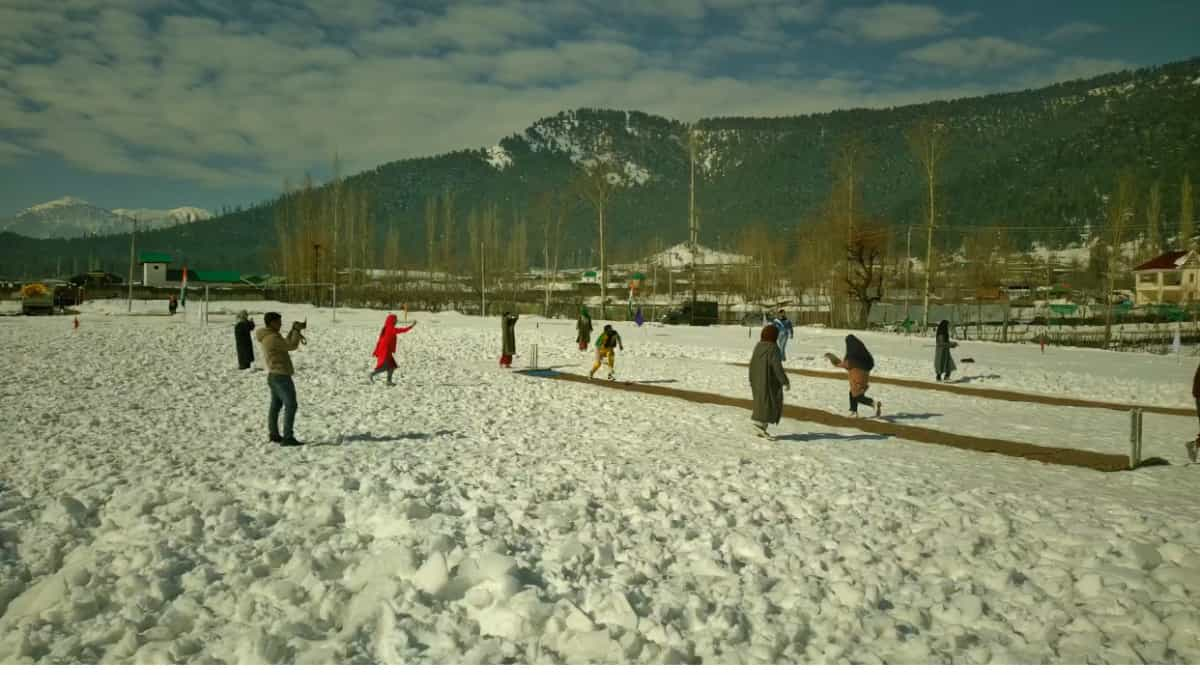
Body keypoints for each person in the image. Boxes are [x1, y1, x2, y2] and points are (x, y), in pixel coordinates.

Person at [255, 312, 306, 446]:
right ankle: (288, 437)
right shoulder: (272, 338)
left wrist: (293, 331)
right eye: (278, 322)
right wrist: (296, 330)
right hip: (280, 376)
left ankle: (274, 434)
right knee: (291, 405)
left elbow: (285, 343)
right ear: (271, 323)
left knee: (275, 406)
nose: (280, 324)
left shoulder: (269, 335)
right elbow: (291, 346)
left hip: (274, 375)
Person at [749, 323, 790, 438]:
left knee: (762, 402)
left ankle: (761, 427)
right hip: (769, 381)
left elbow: (752, 364)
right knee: (770, 402)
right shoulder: (773, 348)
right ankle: (760, 425)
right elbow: (777, 367)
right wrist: (784, 381)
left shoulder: (758, 346)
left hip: (757, 379)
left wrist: (751, 378)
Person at [828, 334, 881, 418]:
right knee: (853, 393)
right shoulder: (864, 353)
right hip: (865, 377)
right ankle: (853, 411)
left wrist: (832, 359)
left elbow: (844, 364)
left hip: (856, 378)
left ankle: (873, 403)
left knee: (857, 396)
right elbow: (870, 364)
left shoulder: (852, 356)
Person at [371, 313, 416, 385]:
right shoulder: (390, 328)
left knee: (391, 366)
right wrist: (411, 326)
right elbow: (402, 330)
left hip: (386, 350)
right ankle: (371, 374)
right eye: (395, 320)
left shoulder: (387, 327)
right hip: (384, 350)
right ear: (392, 321)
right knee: (384, 366)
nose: (396, 322)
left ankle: (388, 381)